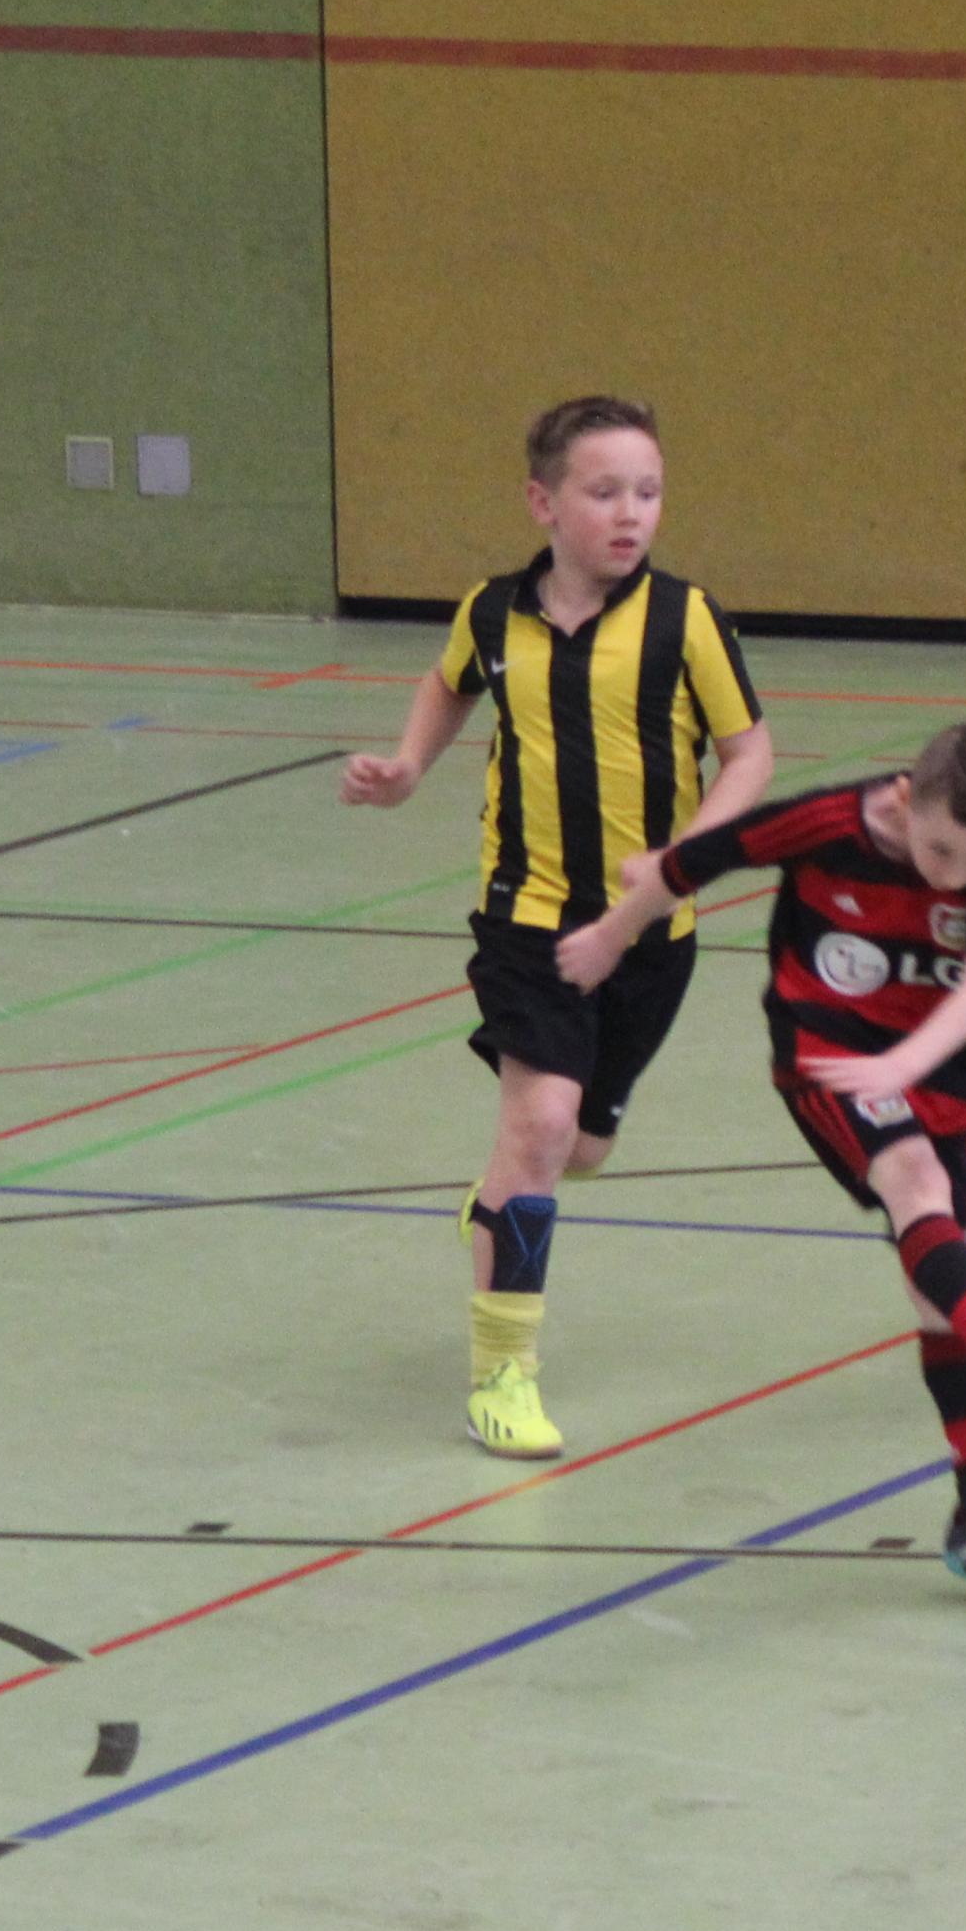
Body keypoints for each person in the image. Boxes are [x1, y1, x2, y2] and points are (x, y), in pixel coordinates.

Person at [560, 723, 966, 1618]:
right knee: (914, 1186)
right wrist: (609, 934)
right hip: (828, 1054)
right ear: (905, 801)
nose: (957, 875)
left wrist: (908, 1066)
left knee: (939, 1296)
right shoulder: (831, 824)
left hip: (932, 1070)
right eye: (940, 851)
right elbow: (695, 861)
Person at [340, 395, 776, 1460]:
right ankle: (504, 1373)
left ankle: (497, 1207)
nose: (632, 513)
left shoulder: (687, 620)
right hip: (526, 921)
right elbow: (449, 683)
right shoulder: (493, 614)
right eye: (604, 491)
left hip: (649, 935)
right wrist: (408, 766)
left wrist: (682, 862)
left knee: (581, 1145)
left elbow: (750, 755)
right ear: (542, 502)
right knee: (539, 1126)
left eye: (648, 492)